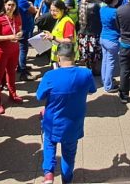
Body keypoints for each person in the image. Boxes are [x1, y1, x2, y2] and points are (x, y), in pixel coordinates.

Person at [37, 42, 96, 184]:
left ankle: (49, 174)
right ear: (74, 56)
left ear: (58, 58)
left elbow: (39, 96)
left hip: (53, 120)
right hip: (74, 123)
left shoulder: (50, 75)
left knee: (49, 144)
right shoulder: (86, 73)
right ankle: (67, 179)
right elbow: (92, 90)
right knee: (69, 154)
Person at [0, 0, 24, 114]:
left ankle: (13, 94)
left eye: (13, 5)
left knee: (12, 72)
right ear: (4, 5)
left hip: (14, 50)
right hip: (0, 52)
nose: (11, 7)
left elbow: (19, 30)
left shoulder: (17, 17)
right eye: (8, 5)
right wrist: (10, 37)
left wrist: (19, 34)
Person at [10, 0, 36, 80]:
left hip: (15, 27)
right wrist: (31, 5)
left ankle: (20, 66)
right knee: (23, 49)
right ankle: (23, 71)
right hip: (23, 27)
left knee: (18, 48)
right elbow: (33, 10)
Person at [42, 0, 77, 68]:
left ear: (62, 10)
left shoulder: (67, 22)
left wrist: (53, 37)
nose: (52, 13)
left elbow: (69, 40)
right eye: (51, 10)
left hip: (64, 60)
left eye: (55, 10)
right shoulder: (59, 19)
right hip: (57, 58)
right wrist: (49, 36)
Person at [98, 0, 121, 93]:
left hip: (103, 37)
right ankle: (108, 85)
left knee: (105, 60)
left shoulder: (102, 9)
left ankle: (105, 80)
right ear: (114, 0)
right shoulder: (115, 12)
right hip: (112, 39)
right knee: (111, 62)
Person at [78, 0, 103, 73]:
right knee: (93, 53)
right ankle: (94, 70)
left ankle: (88, 68)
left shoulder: (80, 5)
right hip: (93, 33)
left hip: (82, 33)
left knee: (86, 53)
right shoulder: (95, 6)